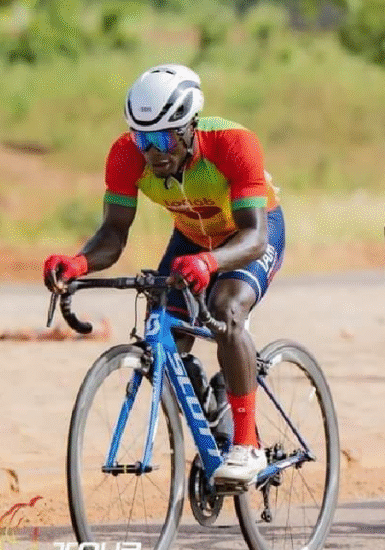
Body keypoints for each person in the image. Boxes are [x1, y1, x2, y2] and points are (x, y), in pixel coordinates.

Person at [43, 64, 286, 486]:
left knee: (226, 309)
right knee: (165, 336)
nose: (153, 151)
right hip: (191, 239)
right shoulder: (125, 155)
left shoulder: (233, 144)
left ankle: (246, 445)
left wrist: (211, 263)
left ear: (190, 127)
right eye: (143, 138)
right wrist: (79, 263)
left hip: (247, 235)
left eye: (162, 138)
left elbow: (254, 237)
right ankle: (215, 405)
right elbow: (113, 233)